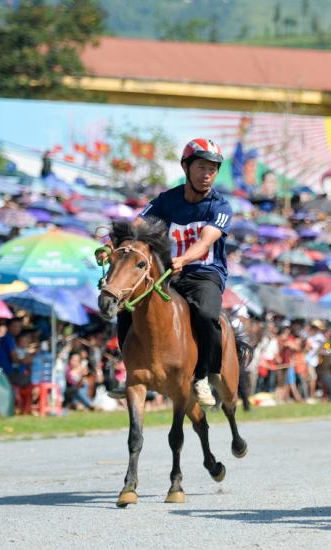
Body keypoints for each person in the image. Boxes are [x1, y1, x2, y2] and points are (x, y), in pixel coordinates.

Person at [99, 138, 232, 407]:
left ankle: (203, 376)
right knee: (127, 306)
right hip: (169, 272)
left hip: (204, 273)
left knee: (207, 314)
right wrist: (109, 247)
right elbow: (137, 224)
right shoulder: (167, 200)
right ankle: (131, 374)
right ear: (186, 167)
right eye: (202, 167)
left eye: (212, 169)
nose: (207, 174)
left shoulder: (220, 206)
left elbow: (206, 242)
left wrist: (184, 258)